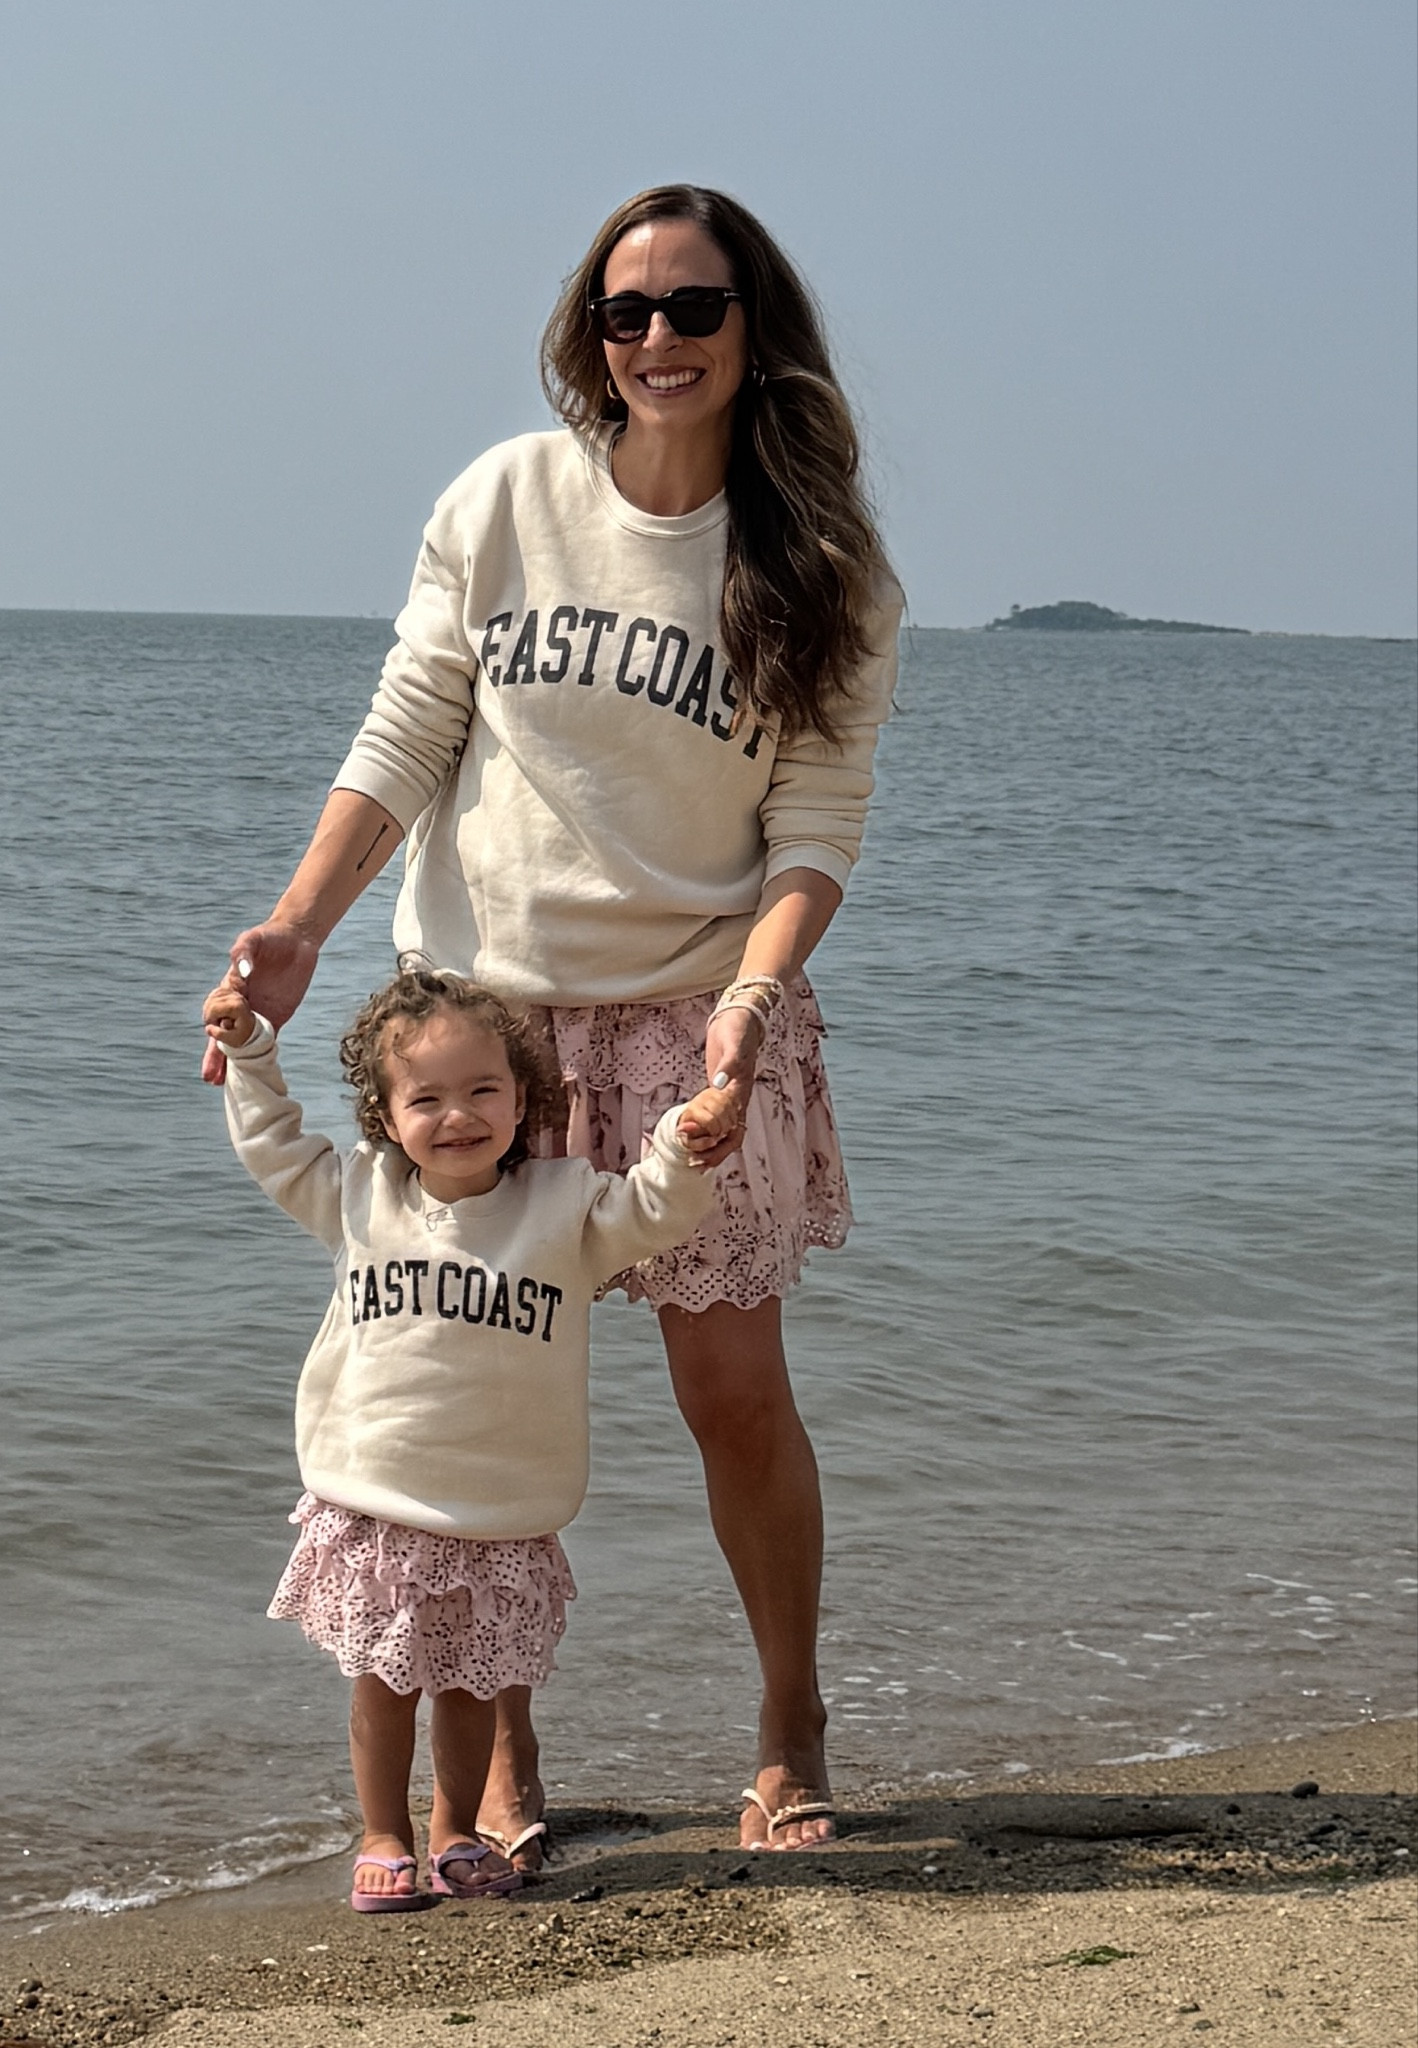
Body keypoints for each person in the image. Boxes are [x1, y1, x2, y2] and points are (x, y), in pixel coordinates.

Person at [202, 183, 901, 1857]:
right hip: (488, 1023)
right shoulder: (505, 499)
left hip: (693, 1020)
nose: (654, 338)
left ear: (756, 332)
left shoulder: (816, 564)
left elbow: (816, 825)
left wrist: (748, 999)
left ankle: (788, 1715)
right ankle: (494, 1763)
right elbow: (408, 729)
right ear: (588, 336)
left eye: (691, 308)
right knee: (468, 1377)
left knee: (731, 1390)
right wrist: (298, 928)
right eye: (622, 310)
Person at [205, 961, 729, 1909]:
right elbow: (275, 1146)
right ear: (385, 1114)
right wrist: (250, 1053)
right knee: (383, 1683)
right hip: (377, 1497)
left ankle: (453, 1831)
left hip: (499, 1506)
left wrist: (686, 1149)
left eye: (483, 1089)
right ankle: (382, 1833)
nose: (458, 1116)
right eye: (427, 1098)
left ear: (524, 1096)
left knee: (471, 1687)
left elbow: (654, 1212)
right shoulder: (360, 1195)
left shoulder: (565, 1206)